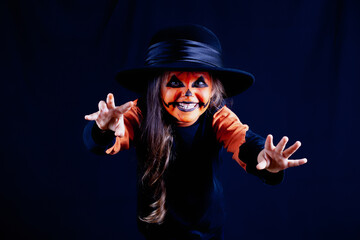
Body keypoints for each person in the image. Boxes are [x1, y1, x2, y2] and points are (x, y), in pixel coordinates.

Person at [83, 24, 307, 240]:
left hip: (206, 231)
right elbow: (106, 140)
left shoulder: (218, 117)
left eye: (199, 83)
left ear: (212, 89)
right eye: (174, 83)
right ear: (157, 87)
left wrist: (265, 159)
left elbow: (241, 139)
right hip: (155, 230)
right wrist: (105, 128)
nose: (188, 93)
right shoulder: (141, 112)